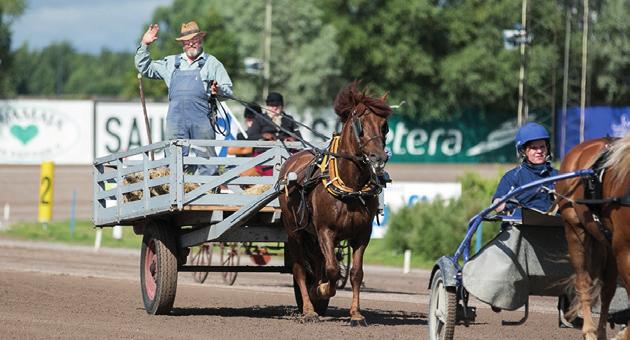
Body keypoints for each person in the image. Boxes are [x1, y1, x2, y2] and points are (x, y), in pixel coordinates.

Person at [135, 20, 233, 176]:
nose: (191, 44)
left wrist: (218, 90)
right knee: (173, 162)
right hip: (176, 122)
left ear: (200, 41)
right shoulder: (171, 63)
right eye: (187, 42)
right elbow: (144, 68)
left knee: (207, 162)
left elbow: (228, 90)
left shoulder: (212, 63)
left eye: (194, 41)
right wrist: (144, 44)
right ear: (182, 44)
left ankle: (208, 196)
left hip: (201, 121)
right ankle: (176, 198)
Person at [492, 122, 558, 218]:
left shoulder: (558, 175)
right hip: (521, 227)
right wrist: (504, 204)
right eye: (534, 148)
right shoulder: (512, 177)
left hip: (554, 226)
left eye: (542, 147)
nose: (539, 151)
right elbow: (497, 205)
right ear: (523, 151)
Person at [245, 92, 301, 175]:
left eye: (277, 105)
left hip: (287, 154)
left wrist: (293, 138)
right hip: (265, 155)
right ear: (267, 106)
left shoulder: (289, 119)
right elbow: (250, 136)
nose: (274, 108)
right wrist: (263, 136)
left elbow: (299, 137)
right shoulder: (259, 119)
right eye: (271, 105)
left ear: (282, 106)